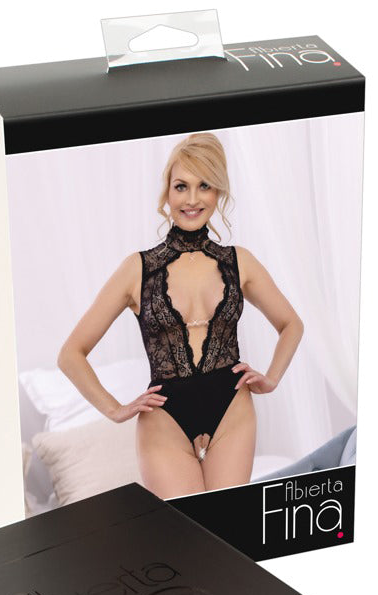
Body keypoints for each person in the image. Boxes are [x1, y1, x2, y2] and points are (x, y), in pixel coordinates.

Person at [57, 132, 304, 498]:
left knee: (225, 526)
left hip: (232, 410)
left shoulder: (240, 262)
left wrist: (272, 378)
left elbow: (291, 324)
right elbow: (71, 354)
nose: (191, 199)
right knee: (184, 526)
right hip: (165, 418)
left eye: (204, 186)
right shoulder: (137, 269)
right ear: (167, 194)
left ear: (218, 192)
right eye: (181, 186)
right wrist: (115, 410)